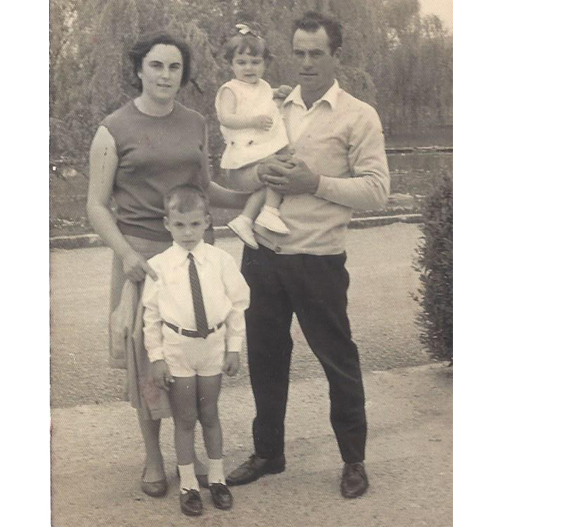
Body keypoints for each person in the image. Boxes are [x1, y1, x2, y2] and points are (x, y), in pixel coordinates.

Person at [225, 11, 390, 500]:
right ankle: (268, 453)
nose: (306, 62)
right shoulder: (270, 106)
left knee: (338, 360)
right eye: (298, 52)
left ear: (336, 54)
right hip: (262, 255)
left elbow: (378, 191)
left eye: (316, 53)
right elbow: (236, 173)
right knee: (265, 358)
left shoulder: (359, 115)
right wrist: (260, 178)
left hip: (318, 258)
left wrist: (313, 183)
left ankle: (353, 460)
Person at [86, 30, 248, 500]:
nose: (165, 75)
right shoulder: (112, 128)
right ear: (139, 69)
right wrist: (128, 254)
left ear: (184, 74)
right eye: (156, 65)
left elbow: (205, 190)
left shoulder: (196, 123)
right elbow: (96, 205)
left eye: (174, 67)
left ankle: (189, 455)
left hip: (194, 257)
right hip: (142, 258)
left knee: (192, 358)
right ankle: (154, 457)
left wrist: (247, 197)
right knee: (149, 360)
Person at [142, 185, 250, 516]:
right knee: (186, 418)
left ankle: (217, 479)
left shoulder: (221, 261)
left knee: (210, 414)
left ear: (206, 222)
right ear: (167, 224)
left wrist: (234, 348)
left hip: (212, 346)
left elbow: (236, 306)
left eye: (194, 224)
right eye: (179, 225)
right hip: (178, 349)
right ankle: (188, 483)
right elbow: (151, 317)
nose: (187, 233)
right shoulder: (158, 266)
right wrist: (157, 358)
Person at [216, 24, 294, 249]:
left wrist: (278, 93)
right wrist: (252, 121)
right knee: (276, 167)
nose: (248, 68)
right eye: (241, 62)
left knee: (281, 164)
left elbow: (260, 98)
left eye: (255, 62)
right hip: (243, 152)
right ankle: (267, 212)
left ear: (265, 63)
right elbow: (225, 117)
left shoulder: (261, 86)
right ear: (231, 64)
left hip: (258, 149)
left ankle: (248, 218)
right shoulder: (230, 89)